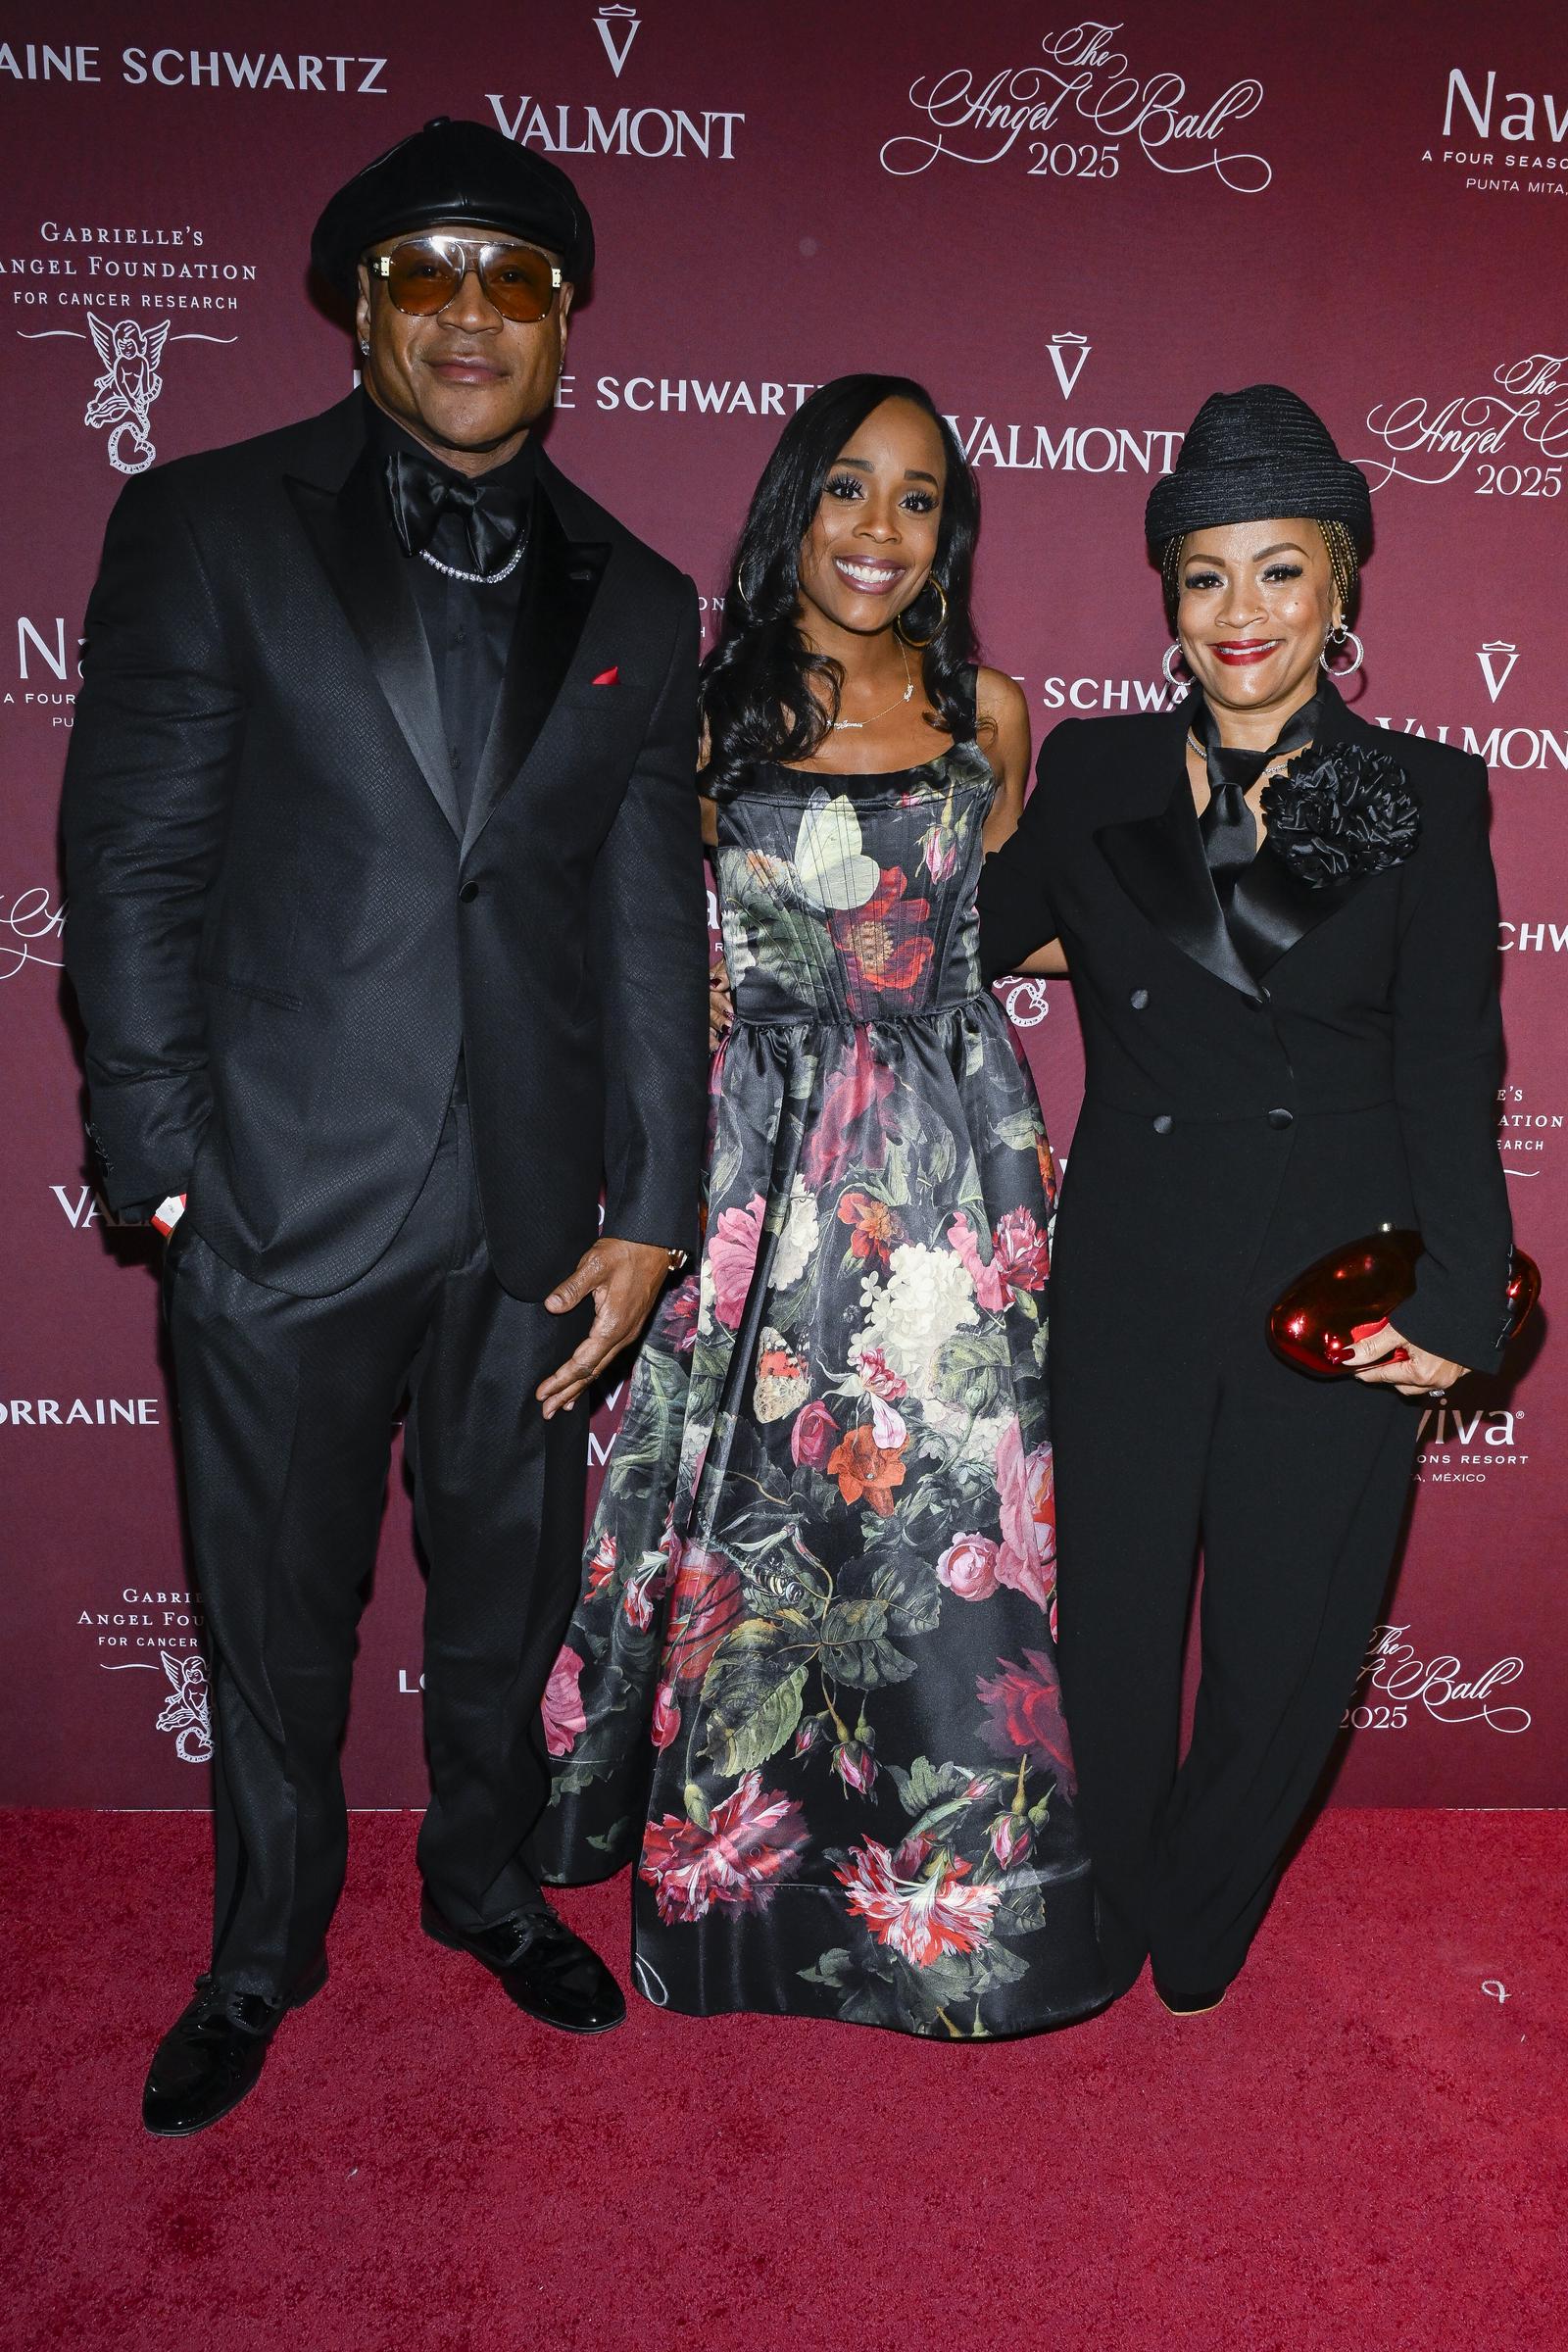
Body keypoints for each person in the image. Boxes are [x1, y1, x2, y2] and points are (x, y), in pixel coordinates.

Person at [62, 117, 710, 2135]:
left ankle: (484, 1884)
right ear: (357, 308)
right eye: (422, 270)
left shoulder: (643, 586)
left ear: (565, 324)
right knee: (272, 1611)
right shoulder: (206, 523)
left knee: (504, 1596)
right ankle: (262, 1950)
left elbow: (638, 924)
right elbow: (135, 868)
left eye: (512, 276)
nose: (466, 310)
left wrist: (657, 1201)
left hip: (530, 1213)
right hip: (276, 1190)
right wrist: (162, 1164)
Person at [531, 376, 1108, 2039]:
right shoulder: (702, 709)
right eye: (851, 489)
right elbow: (611, 918)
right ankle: (739, 1904)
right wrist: (701, 989)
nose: (881, 529)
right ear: (796, 504)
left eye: (920, 500)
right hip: (762, 1177)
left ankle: (977, 1915)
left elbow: (1014, 923)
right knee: (758, 1534)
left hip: (951, 1169)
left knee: (950, 1536)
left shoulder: (986, 707)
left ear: (952, 531)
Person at [977, 385, 1513, 2013]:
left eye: (1281, 572)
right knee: (1115, 1635)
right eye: (1205, 575)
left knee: (1290, 1645)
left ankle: (1204, 1908)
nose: (1242, 615)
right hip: (1134, 1262)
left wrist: (1466, 1301)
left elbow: (1450, 1063)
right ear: (1165, 593)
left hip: (1334, 1276)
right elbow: (959, 941)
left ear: (1344, 585)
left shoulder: (1419, 789)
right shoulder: (1093, 773)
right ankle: (1119, 1895)